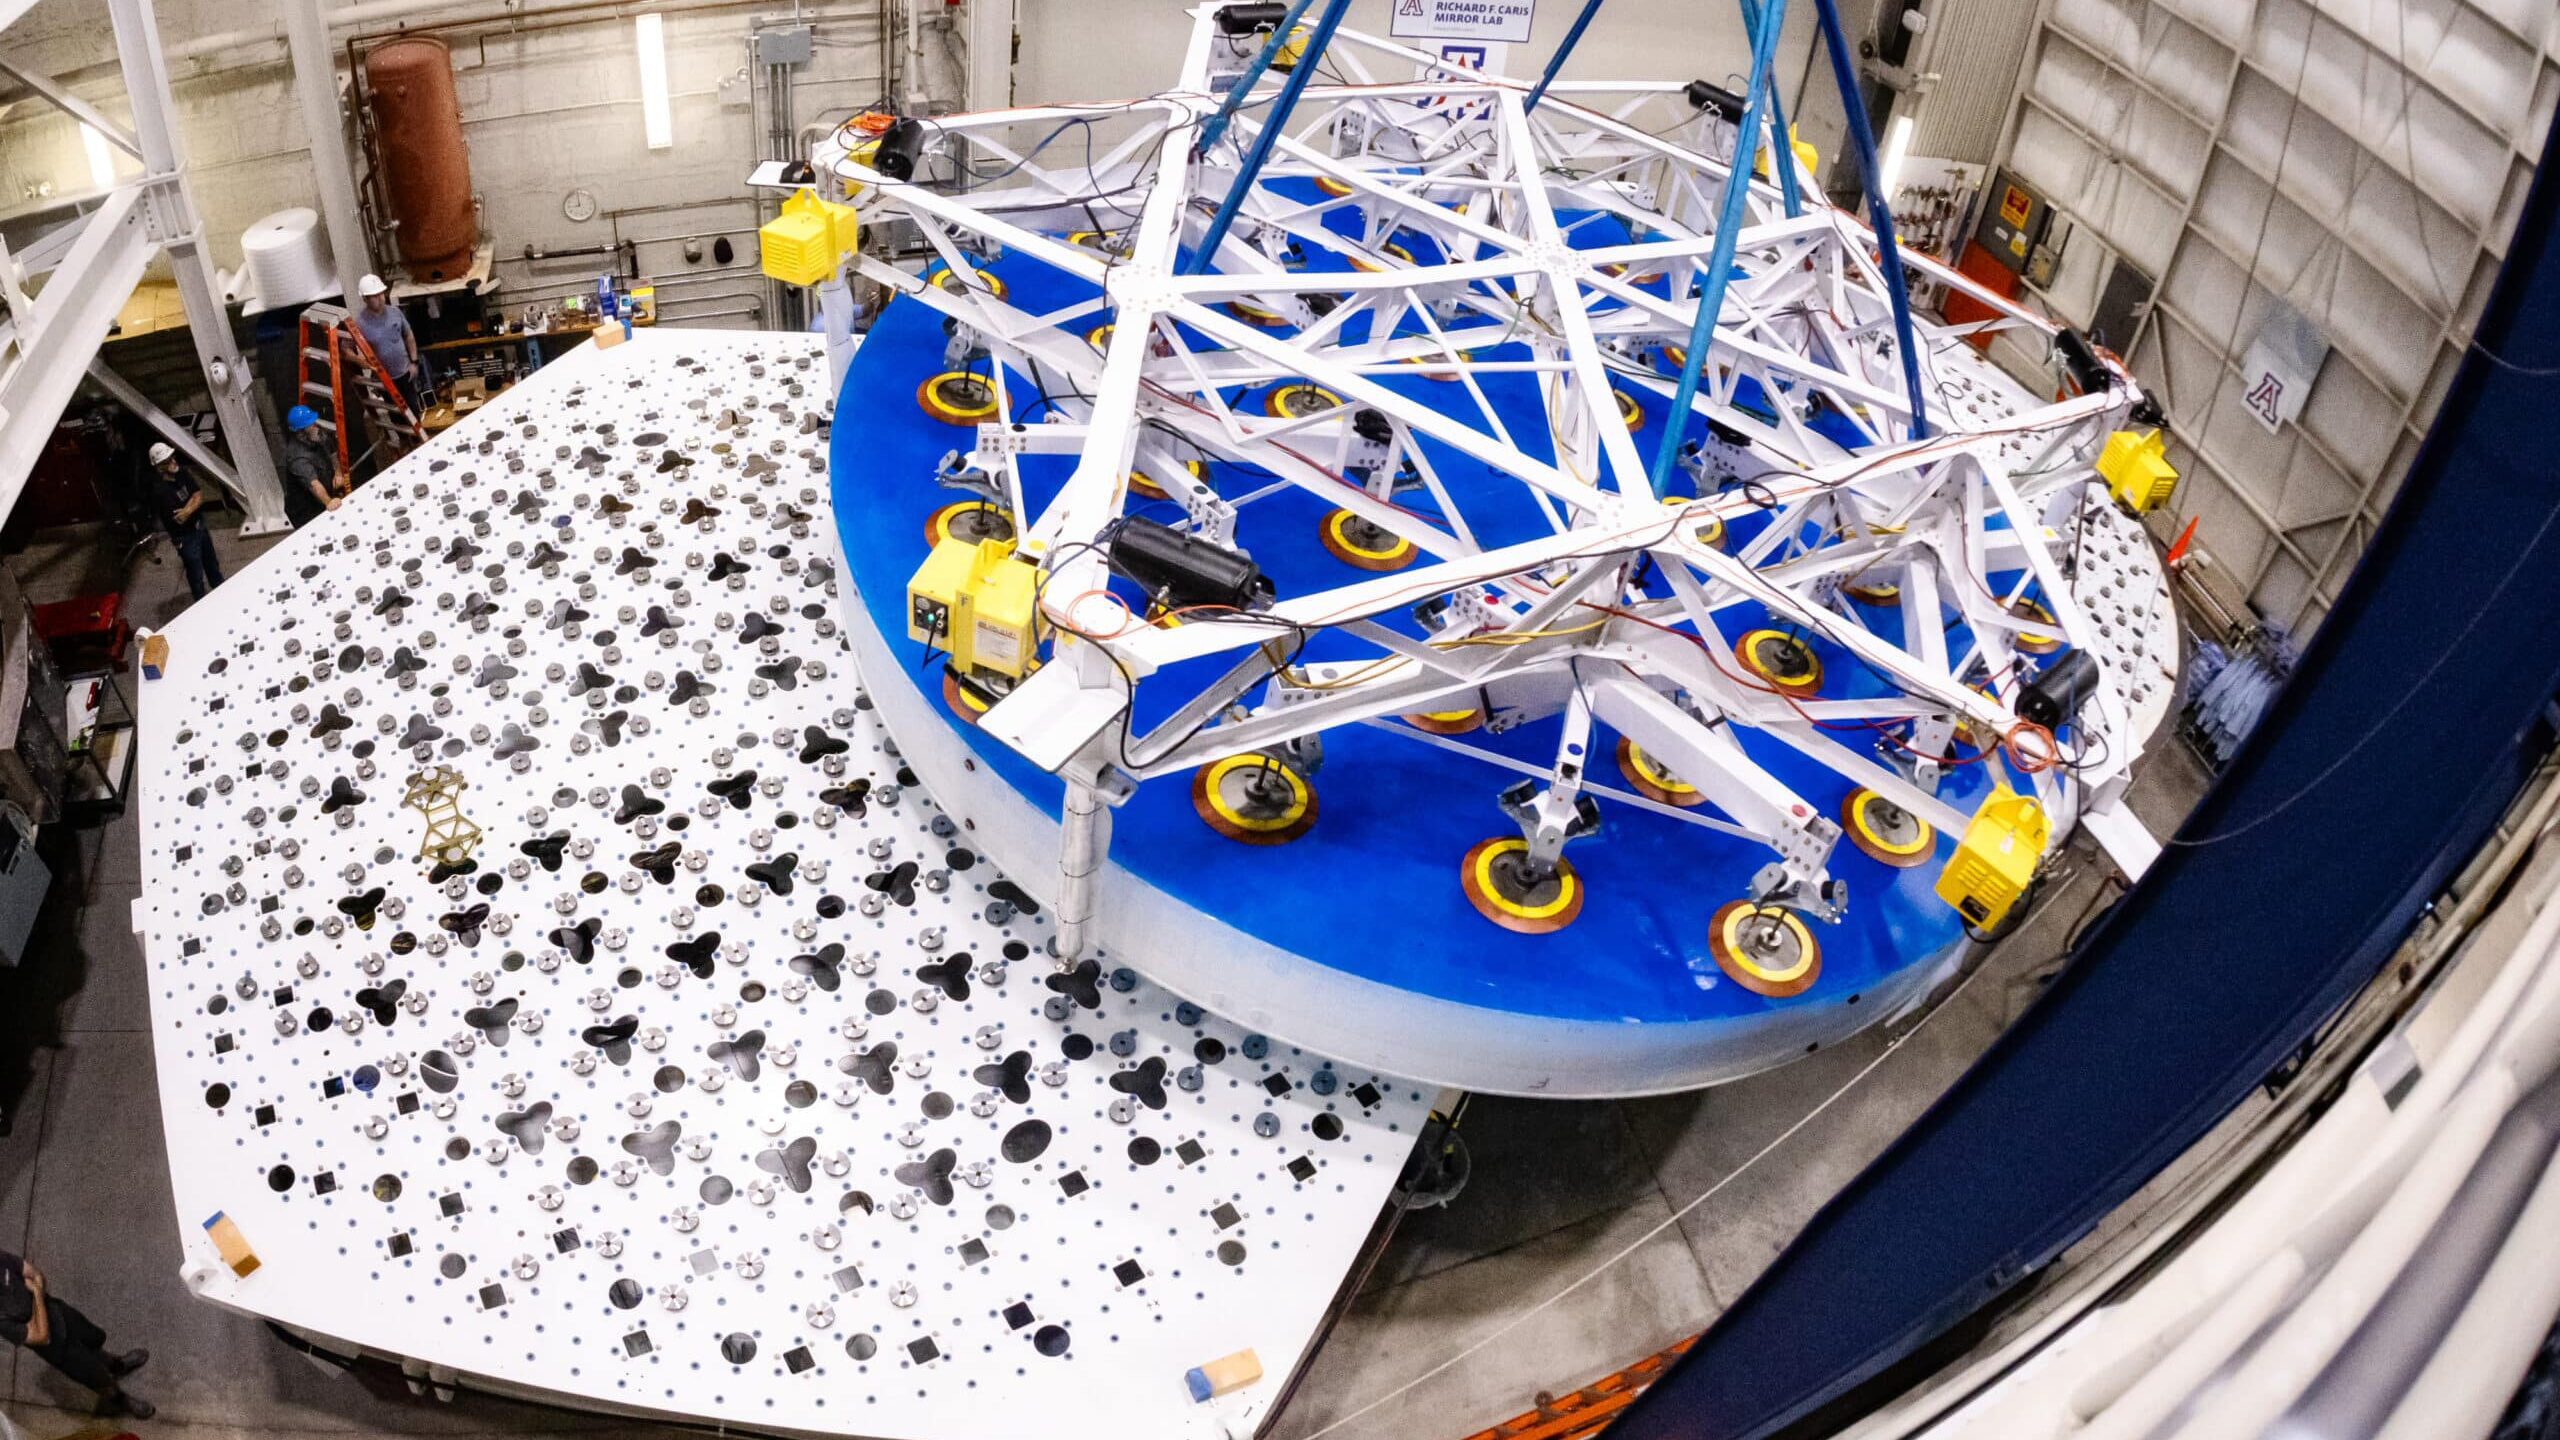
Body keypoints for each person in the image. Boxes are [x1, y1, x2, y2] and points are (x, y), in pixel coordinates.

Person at [0, 1250, 153, 1418]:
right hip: (58, 1348)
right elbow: (42, 1337)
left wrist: (36, 1316)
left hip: (61, 1312)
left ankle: (117, 1365)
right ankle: (120, 1400)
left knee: (95, 1340)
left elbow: (36, 1274)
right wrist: (36, 1292)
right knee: (96, 1377)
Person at [150, 440, 225, 600]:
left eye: (172, 457)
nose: (173, 462)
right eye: (168, 461)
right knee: (196, 575)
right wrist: (191, 505)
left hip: (200, 527)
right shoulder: (160, 492)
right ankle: (202, 604)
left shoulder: (181, 473)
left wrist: (188, 508)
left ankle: (222, 594)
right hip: (186, 538)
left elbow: (198, 495)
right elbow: (180, 518)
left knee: (212, 565)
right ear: (159, 467)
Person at [353, 273, 429, 418]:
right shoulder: (360, 323)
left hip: (405, 373)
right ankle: (405, 440)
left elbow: (409, 335)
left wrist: (414, 362)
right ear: (365, 299)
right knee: (397, 415)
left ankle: (419, 440)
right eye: (374, 296)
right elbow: (346, 349)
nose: (380, 298)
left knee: (413, 410)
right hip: (384, 378)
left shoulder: (395, 312)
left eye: (381, 294)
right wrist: (359, 360)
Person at [281, 405, 346, 529]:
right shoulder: (298, 458)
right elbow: (314, 485)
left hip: (322, 496)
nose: (315, 425)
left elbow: (332, 452)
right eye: (311, 424)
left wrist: (338, 473)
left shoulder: (316, 435)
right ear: (301, 432)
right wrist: (329, 502)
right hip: (306, 511)